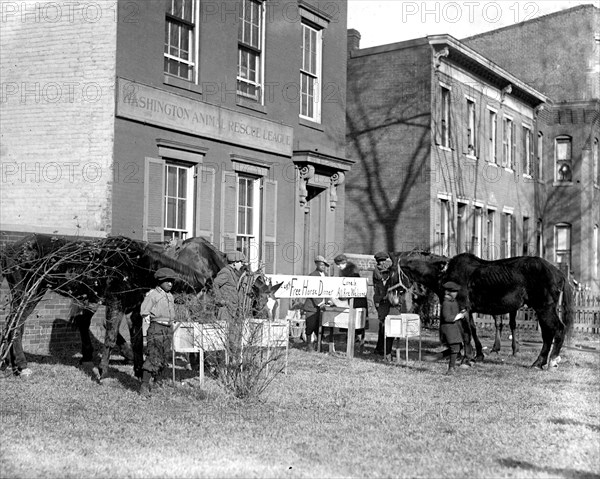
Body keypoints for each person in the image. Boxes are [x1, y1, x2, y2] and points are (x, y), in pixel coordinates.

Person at [139, 267, 178, 396]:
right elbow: (144, 311)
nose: (170, 284)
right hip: (156, 328)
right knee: (153, 355)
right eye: (167, 281)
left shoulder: (170, 296)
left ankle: (158, 383)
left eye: (172, 281)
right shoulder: (153, 295)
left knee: (164, 356)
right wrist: (147, 327)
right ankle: (144, 386)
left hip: (168, 329)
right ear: (160, 281)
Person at [332, 254, 369, 350]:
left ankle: (359, 342)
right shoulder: (343, 271)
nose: (338, 267)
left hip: (357, 299)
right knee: (348, 321)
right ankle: (352, 341)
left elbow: (351, 286)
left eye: (339, 264)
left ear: (344, 263)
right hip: (350, 299)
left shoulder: (352, 270)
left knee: (358, 321)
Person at [372, 251, 401, 356]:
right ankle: (383, 349)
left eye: (385, 261)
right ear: (379, 262)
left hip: (385, 302)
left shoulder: (384, 271)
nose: (385, 263)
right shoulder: (378, 272)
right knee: (384, 326)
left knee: (385, 327)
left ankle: (382, 348)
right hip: (381, 302)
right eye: (383, 261)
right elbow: (382, 284)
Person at [302, 255, 330, 353]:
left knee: (320, 326)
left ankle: (319, 345)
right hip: (312, 306)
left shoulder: (326, 276)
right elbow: (312, 291)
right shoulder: (313, 275)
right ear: (317, 264)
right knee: (310, 325)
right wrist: (320, 303)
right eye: (321, 264)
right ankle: (309, 345)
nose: (323, 267)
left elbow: (327, 289)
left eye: (324, 265)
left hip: (322, 306)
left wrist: (328, 301)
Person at [439, 281, 466, 375]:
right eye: (454, 292)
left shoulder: (453, 302)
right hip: (448, 329)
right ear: (448, 292)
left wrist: (461, 311)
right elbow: (447, 317)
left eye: (456, 292)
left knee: (457, 347)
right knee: (454, 348)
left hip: (454, 328)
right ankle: (451, 369)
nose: (456, 293)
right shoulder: (446, 303)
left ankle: (449, 365)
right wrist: (459, 316)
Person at [213, 251, 247, 322]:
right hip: (225, 311)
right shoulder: (226, 272)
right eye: (240, 262)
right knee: (224, 331)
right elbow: (215, 284)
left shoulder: (232, 273)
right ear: (234, 263)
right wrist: (219, 300)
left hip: (231, 310)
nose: (241, 265)